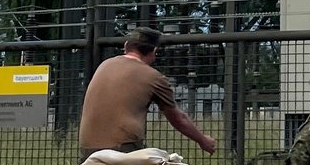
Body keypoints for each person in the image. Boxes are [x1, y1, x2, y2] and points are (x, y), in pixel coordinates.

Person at [77, 27, 216, 156]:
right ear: (154, 51)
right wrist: (203, 140)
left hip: (87, 150)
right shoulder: (154, 77)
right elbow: (179, 119)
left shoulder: (105, 64)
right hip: (122, 149)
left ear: (126, 46)